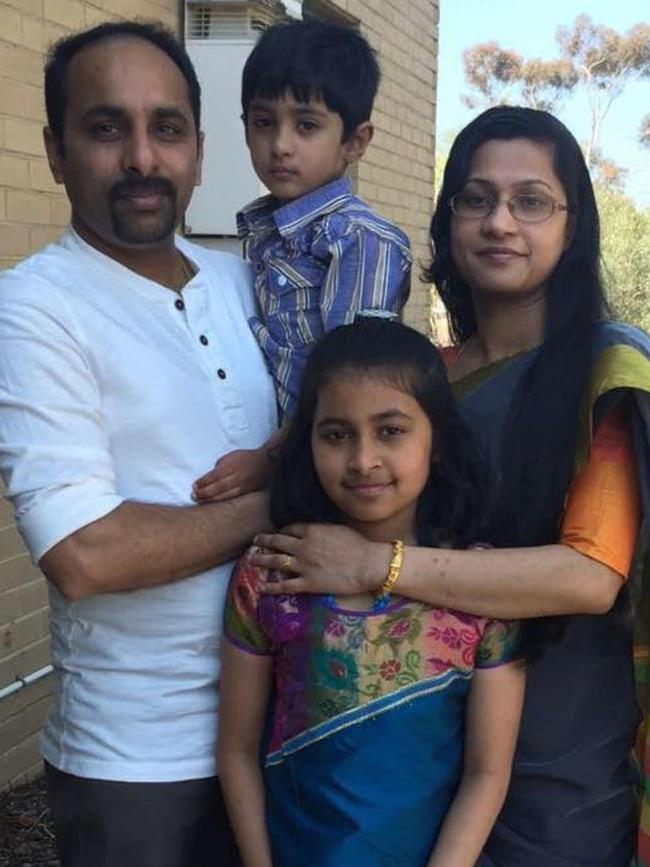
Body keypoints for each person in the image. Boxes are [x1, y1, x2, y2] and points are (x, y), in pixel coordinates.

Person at [248, 106, 650, 866]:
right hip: (408, 751)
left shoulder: (605, 370)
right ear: (448, 219)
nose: (500, 221)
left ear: (573, 228)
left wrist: (379, 566)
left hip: (554, 757)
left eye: (531, 200)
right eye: (476, 198)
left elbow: (593, 575)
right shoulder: (423, 383)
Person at [0, 21, 278, 867]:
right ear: (54, 151)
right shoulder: (34, 309)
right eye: (105, 127)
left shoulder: (242, 283)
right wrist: (280, 501)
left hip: (279, 726)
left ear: (198, 146)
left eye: (167, 128)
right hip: (137, 765)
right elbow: (86, 551)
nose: (143, 160)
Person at [218, 318, 526, 867]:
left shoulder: (482, 588)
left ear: (437, 440)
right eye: (336, 434)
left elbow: (487, 772)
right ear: (306, 441)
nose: (362, 460)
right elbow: (237, 751)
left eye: (391, 431)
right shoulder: (270, 575)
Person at [192, 20, 411, 504]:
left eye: (306, 125)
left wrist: (269, 462)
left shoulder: (360, 241)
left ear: (355, 141)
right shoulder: (267, 233)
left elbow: (354, 388)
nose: (281, 145)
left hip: (331, 485)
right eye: (263, 122)